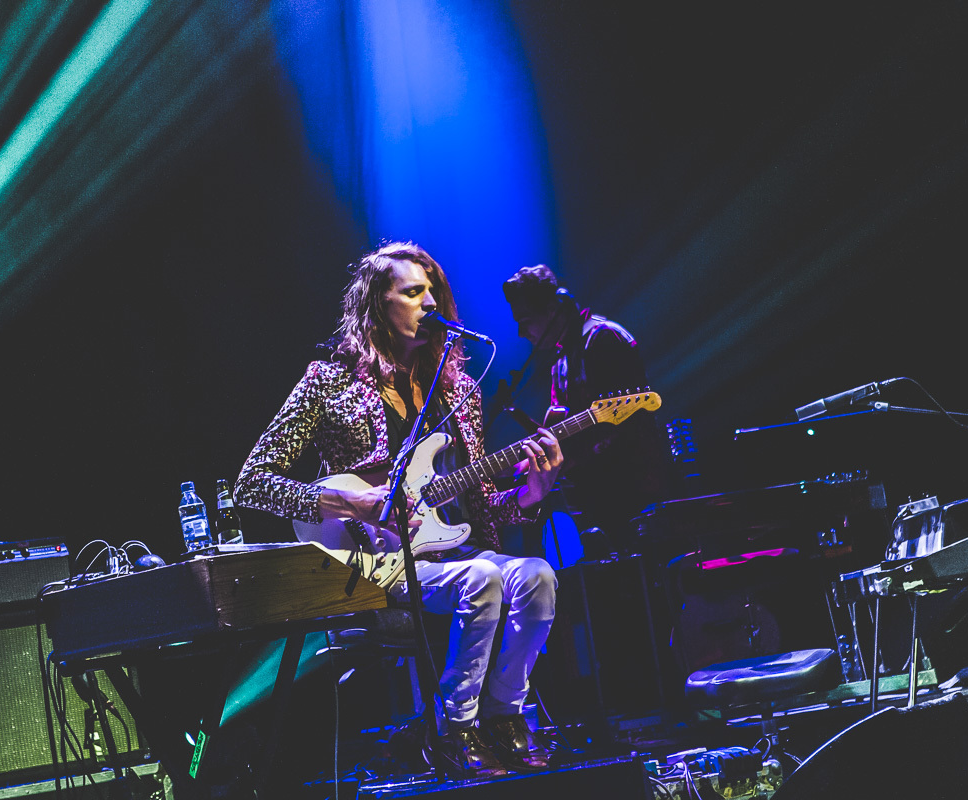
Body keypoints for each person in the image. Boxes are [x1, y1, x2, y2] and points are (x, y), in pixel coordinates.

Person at [235, 243, 562, 777]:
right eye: (413, 292)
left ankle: (504, 715)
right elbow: (253, 482)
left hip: (447, 553)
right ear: (375, 307)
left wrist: (527, 497)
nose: (429, 302)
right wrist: (354, 501)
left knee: (537, 576)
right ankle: (454, 729)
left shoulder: (460, 390)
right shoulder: (329, 382)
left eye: (434, 291)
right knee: (481, 578)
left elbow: (478, 515)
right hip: (366, 563)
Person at [503, 265, 669, 550]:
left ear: (554, 308)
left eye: (526, 320)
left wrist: (570, 460)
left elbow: (632, 424)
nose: (520, 332)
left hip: (632, 493)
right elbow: (562, 427)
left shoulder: (604, 339)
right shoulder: (562, 357)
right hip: (596, 496)